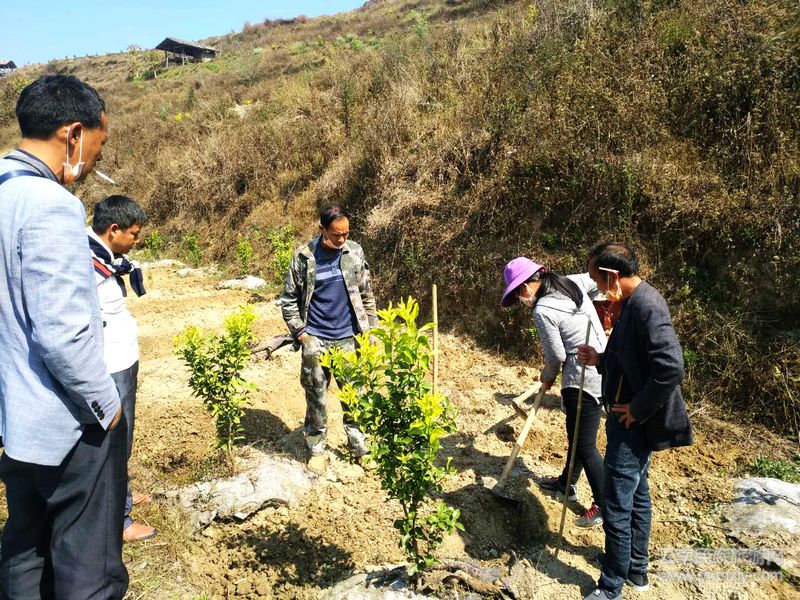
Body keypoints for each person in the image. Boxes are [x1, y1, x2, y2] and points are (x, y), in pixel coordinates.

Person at [0, 75, 128, 599]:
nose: (96, 160)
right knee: (85, 563)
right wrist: (106, 403)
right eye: (99, 144)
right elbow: (62, 335)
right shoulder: (51, 204)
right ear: (74, 134)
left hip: (15, 420)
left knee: (25, 546)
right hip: (65, 424)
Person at [577, 243, 693, 600]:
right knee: (638, 494)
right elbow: (629, 356)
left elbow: (670, 366)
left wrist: (637, 409)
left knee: (615, 504)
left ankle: (611, 585)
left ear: (613, 276)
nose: (598, 287)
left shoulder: (647, 306)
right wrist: (599, 359)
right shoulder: (630, 303)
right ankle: (635, 569)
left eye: (598, 279)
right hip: (626, 420)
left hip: (632, 423)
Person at [500, 257, 607, 528]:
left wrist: (546, 377)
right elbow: (600, 284)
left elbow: (556, 356)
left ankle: (605, 504)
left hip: (581, 379)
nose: (521, 299)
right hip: (604, 367)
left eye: (518, 293)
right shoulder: (572, 282)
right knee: (578, 436)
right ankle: (566, 485)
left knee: (584, 445)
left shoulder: (543, 309)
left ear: (525, 287)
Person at [279, 206, 378, 473]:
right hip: (316, 341)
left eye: (346, 234)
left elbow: (366, 294)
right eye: (336, 234)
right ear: (322, 229)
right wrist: (301, 333)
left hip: (349, 339)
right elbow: (288, 300)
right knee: (316, 398)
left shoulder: (354, 252)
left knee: (355, 397)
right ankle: (316, 450)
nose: (342, 239)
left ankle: (359, 448)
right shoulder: (304, 257)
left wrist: (372, 330)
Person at [89, 195, 158, 543]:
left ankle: (123, 495)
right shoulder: (87, 266)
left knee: (122, 440)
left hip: (122, 362)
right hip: (110, 368)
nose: (136, 241)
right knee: (113, 444)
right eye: (134, 234)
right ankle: (119, 520)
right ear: (114, 229)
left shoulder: (106, 258)